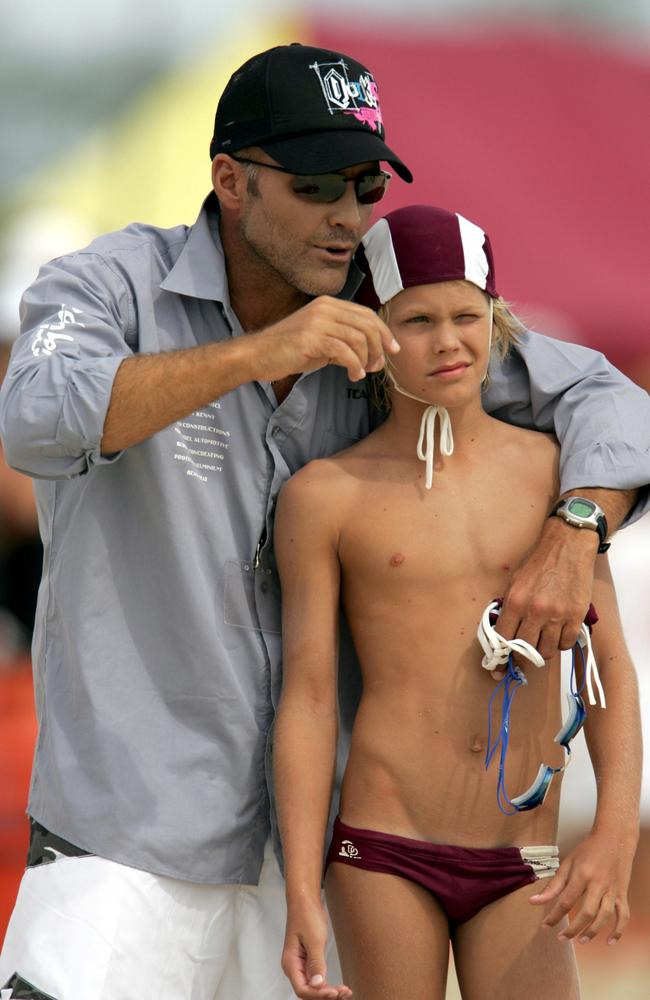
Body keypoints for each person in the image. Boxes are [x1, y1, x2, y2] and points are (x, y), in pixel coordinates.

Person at [0, 39, 648, 999]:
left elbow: (608, 398)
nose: (347, 216)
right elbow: (35, 417)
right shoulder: (109, 285)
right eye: (315, 186)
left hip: (318, 864)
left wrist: (576, 529)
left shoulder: (396, 321)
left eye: (363, 185)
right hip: (125, 844)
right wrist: (257, 353)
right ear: (230, 180)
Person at [273, 205, 643, 1000]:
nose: (448, 341)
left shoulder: (560, 477)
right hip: (384, 845)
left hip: (522, 855)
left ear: (497, 321)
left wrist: (615, 834)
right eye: (418, 320)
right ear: (371, 333)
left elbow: (606, 666)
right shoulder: (324, 497)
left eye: (467, 316)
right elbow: (305, 698)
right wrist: (303, 888)